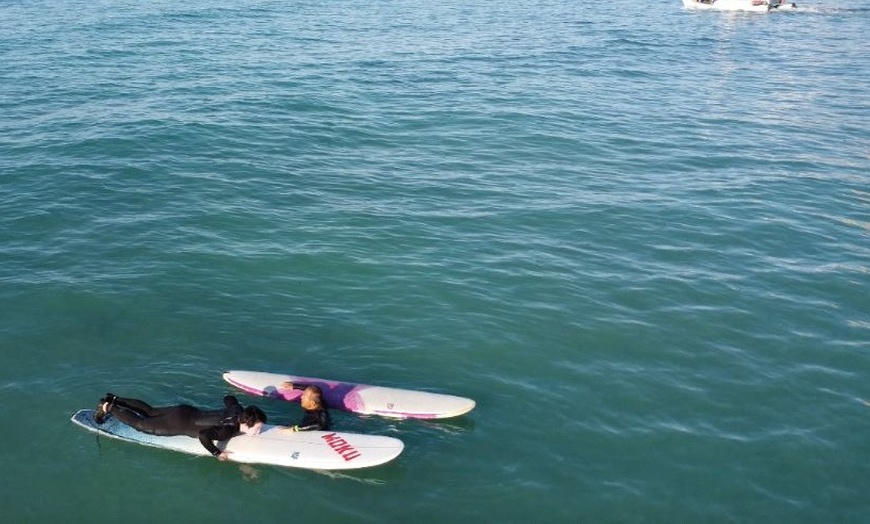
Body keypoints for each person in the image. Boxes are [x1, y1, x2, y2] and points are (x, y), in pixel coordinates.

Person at [94, 393, 267, 461]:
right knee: (140, 424)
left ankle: (114, 398)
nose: (258, 431)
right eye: (257, 428)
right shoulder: (227, 430)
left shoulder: (237, 410)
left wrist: (236, 402)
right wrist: (218, 453)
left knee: (150, 411)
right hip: (178, 424)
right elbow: (203, 435)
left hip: (185, 410)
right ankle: (108, 408)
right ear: (246, 423)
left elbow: (228, 398)